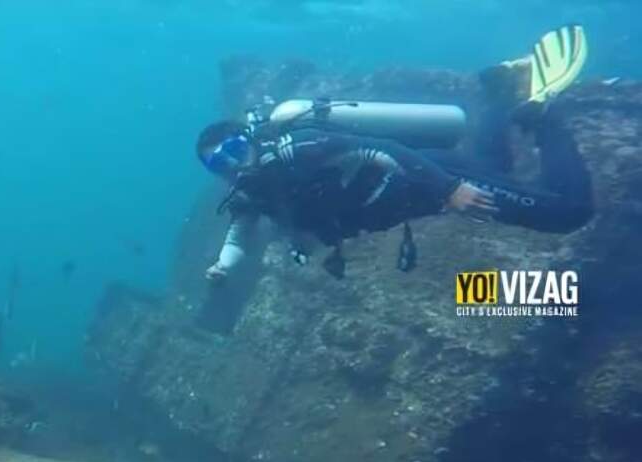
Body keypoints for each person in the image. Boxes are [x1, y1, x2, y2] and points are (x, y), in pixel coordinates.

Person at [198, 24, 593, 281]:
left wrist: (448, 190)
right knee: (496, 166)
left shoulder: (296, 148)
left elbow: (381, 148)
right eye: (219, 163)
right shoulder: (251, 195)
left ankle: (545, 114)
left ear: (248, 139)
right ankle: (500, 90)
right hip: (420, 193)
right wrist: (223, 266)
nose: (232, 164)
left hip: (429, 176)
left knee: (567, 214)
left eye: (233, 150)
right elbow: (239, 235)